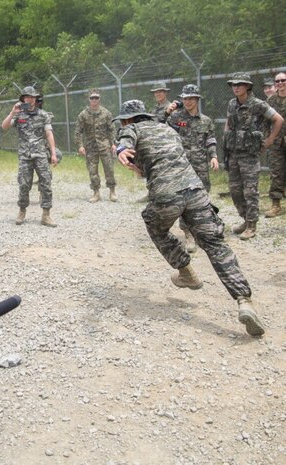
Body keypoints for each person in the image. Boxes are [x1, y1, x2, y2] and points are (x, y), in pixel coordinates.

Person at [114, 99, 266, 337]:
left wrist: (122, 151)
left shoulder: (130, 128)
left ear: (125, 119)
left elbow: (126, 145)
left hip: (167, 195)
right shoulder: (168, 129)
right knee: (216, 245)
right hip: (195, 191)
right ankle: (244, 300)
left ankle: (187, 273)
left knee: (156, 226)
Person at [223, 72, 283, 239]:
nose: (236, 87)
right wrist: (226, 141)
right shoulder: (231, 104)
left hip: (250, 154)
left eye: (240, 84)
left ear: (248, 86)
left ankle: (252, 225)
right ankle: (245, 219)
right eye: (234, 85)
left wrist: (270, 140)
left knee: (250, 191)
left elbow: (278, 119)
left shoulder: (258, 104)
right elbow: (228, 124)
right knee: (235, 190)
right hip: (234, 152)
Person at [164, 84, 219, 252]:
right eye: (185, 98)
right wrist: (167, 112)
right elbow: (159, 125)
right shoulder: (175, 117)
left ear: (197, 99)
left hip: (200, 165)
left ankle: (200, 231)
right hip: (182, 166)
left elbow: (210, 140)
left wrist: (214, 156)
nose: (187, 101)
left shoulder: (206, 121)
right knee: (184, 199)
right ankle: (187, 233)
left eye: (190, 98)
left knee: (202, 197)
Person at [1, 86, 58, 227]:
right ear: (23, 99)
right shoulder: (19, 115)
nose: (29, 99)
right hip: (25, 155)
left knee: (46, 183)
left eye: (32, 97)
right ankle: (22, 211)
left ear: (35, 99)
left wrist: (53, 153)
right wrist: (12, 112)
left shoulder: (43, 115)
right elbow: (4, 126)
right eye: (27, 97)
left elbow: (49, 134)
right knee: (24, 184)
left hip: (40, 154)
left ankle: (46, 215)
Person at [74, 89, 118, 203]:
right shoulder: (83, 115)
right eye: (92, 98)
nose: (94, 100)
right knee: (92, 171)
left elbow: (112, 129)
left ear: (99, 99)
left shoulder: (106, 113)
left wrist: (113, 143)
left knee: (109, 169)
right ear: (89, 99)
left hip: (105, 146)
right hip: (90, 147)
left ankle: (112, 191)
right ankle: (96, 192)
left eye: (96, 98)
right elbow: (78, 131)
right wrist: (80, 145)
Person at [265, 72, 286, 218]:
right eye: (277, 81)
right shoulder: (271, 101)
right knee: (276, 172)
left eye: (283, 80)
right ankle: (276, 205)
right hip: (276, 142)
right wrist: (268, 138)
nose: (280, 83)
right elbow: (265, 121)